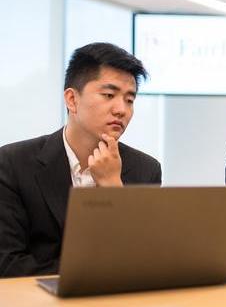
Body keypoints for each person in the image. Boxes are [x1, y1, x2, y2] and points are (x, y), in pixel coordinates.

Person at [0, 42, 162, 277]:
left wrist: (114, 188)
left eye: (129, 99)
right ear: (72, 100)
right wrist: (93, 275)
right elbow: (8, 263)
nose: (121, 109)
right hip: (40, 306)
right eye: (109, 95)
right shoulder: (13, 163)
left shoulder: (145, 169)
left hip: (117, 304)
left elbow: (147, 259)